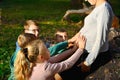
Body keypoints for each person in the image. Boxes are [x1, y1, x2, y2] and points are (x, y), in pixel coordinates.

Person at [60, 0, 114, 79]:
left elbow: (101, 39)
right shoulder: (99, 7)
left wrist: (88, 62)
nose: (85, 0)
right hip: (83, 50)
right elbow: (89, 28)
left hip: (93, 54)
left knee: (62, 76)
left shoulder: (104, 9)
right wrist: (74, 39)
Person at [14, 35, 86, 80]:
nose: (49, 50)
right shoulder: (47, 68)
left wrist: (72, 50)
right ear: (41, 57)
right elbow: (67, 64)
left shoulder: (35, 63)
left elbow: (57, 57)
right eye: (46, 50)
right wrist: (81, 49)